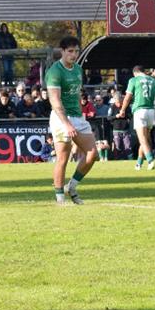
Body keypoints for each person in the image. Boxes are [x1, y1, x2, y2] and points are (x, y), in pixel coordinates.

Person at [45, 37, 98, 204]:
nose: (74, 55)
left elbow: (75, 95)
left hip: (77, 116)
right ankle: (60, 198)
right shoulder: (55, 71)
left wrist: (78, 116)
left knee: (92, 154)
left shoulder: (77, 70)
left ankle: (72, 187)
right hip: (61, 118)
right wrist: (67, 124)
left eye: (76, 51)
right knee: (63, 157)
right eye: (70, 51)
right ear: (62, 51)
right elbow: (55, 101)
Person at [118, 65, 155, 170]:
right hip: (151, 111)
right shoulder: (153, 80)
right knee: (144, 139)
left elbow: (127, 98)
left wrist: (122, 110)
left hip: (140, 111)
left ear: (135, 72)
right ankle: (139, 163)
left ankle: (150, 160)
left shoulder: (134, 80)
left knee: (142, 139)